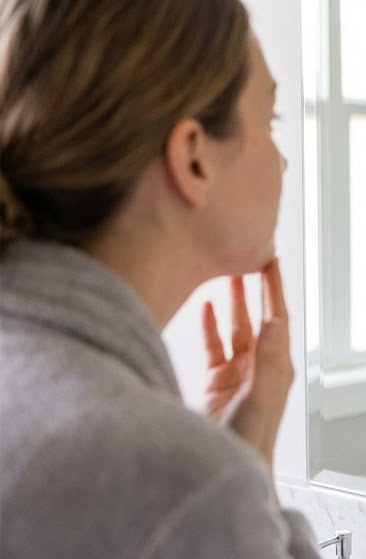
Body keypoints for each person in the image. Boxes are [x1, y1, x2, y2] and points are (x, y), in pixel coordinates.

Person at [0, 1, 319, 556]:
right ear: (194, 158)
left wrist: (248, 452)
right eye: (270, 123)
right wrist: (223, 482)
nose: (284, 163)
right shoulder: (177, 483)